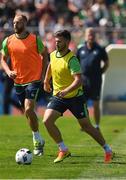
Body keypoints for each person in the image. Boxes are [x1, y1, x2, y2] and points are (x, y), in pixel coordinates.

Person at [43, 30, 113, 163]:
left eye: (59, 41)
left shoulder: (72, 59)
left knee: (87, 126)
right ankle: (63, 149)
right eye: (56, 41)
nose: (56, 43)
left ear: (67, 42)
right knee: (47, 121)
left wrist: (66, 90)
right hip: (59, 97)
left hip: (75, 98)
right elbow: (51, 65)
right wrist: (46, 81)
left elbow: (78, 80)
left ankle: (107, 149)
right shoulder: (53, 55)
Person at [1, 14, 48, 156]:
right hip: (18, 82)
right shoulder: (8, 41)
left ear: (25, 24)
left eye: (18, 22)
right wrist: (8, 71)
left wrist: (42, 74)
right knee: (29, 114)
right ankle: (38, 136)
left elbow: (45, 54)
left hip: (33, 80)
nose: (15, 24)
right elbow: (3, 59)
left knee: (28, 109)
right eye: (14, 22)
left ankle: (36, 142)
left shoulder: (34, 39)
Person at [76, 27, 109, 129]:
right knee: (82, 104)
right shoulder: (80, 49)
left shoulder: (100, 49)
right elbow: (76, 63)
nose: (91, 36)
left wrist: (99, 73)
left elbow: (106, 63)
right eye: (89, 34)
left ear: (95, 36)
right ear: (85, 36)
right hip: (83, 81)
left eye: (92, 34)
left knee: (95, 104)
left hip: (95, 81)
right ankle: (85, 124)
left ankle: (97, 125)